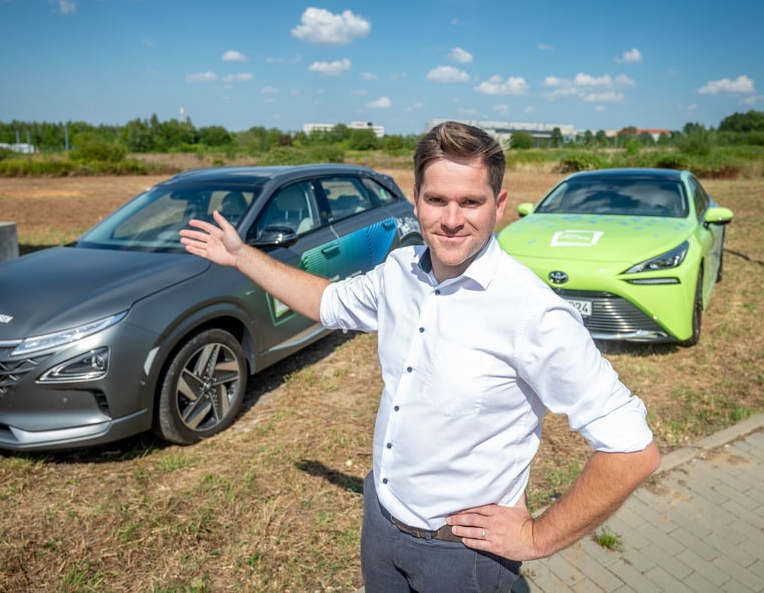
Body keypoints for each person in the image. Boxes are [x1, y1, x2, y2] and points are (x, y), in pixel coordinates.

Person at [180, 121, 660, 592]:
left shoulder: (533, 314)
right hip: (382, 521)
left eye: (471, 202)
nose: (452, 219)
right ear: (416, 201)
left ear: (500, 204)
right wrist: (243, 256)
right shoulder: (398, 271)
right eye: (437, 200)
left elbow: (632, 450)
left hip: (463, 556)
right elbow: (326, 303)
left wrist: (536, 537)